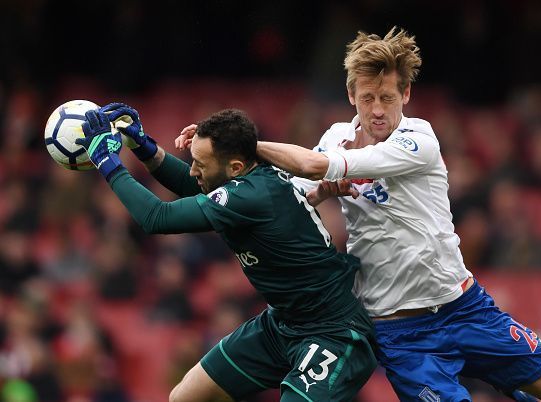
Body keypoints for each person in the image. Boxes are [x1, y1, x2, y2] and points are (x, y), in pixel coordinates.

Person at [249, 27, 541, 401]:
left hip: (465, 309)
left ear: (406, 94)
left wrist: (248, 144)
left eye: (387, 97)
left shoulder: (419, 139)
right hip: (404, 337)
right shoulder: (335, 138)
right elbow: (297, 191)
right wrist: (311, 196)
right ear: (351, 95)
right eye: (367, 97)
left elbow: (317, 165)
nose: (378, 109)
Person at [75, 106, 377, 402]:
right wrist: (145, 148)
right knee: (185, 397)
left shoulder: (252, 195)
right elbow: (193, 185)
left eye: (201, 165)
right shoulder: (248, 180)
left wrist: (108, 162)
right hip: (283, 323)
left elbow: (157, 217)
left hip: (333, 331)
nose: (194, 170)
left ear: (234, 167)